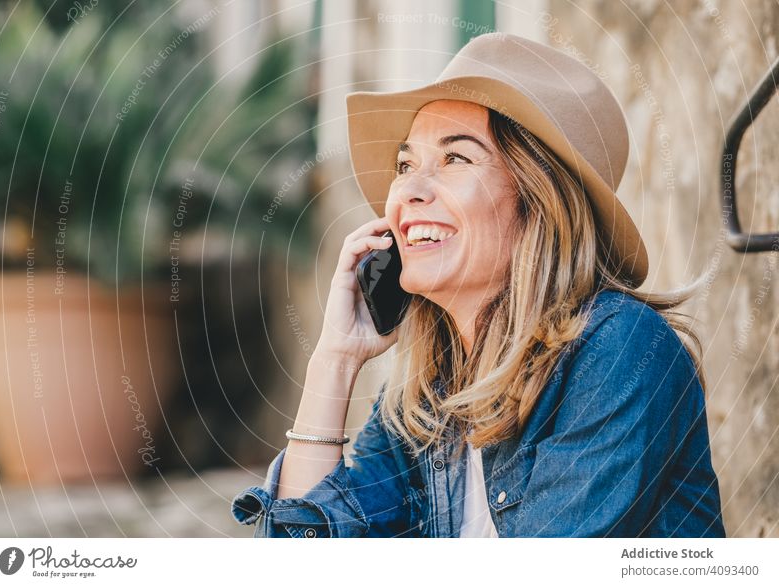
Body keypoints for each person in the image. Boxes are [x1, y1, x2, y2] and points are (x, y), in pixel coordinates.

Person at [231, 32, 726, 538]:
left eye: (455, 159)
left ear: (539, 201)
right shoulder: (423, 400)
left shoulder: (621, 350)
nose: (409, 191)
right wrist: (334, 362)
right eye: (406, 164)